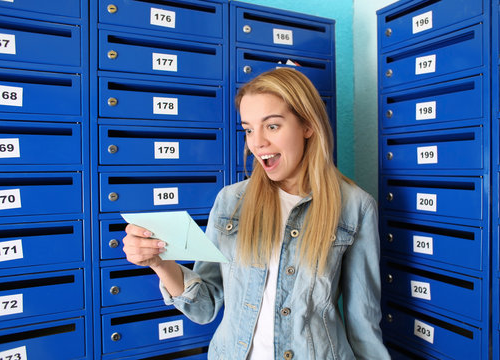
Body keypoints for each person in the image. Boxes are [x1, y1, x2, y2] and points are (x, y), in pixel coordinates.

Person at [122, 68, 390, 359]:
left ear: (307, 126)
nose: (257, 142)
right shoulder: (231, 201)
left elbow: (363, 326)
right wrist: (159, 262)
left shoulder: (355, 206)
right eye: (248, 129)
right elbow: (205, 305)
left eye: (272, 126)